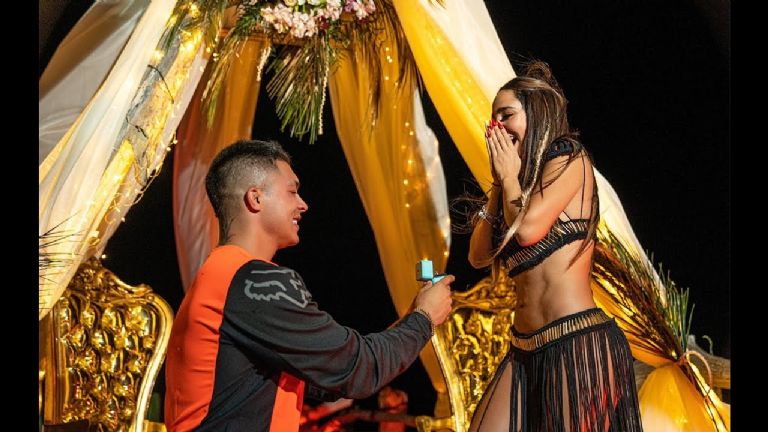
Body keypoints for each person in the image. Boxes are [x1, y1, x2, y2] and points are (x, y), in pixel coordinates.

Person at [164, 139, 454, 432]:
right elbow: (357, 368)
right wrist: (424, 319)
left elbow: (331, 375)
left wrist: (413, 316)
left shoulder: (218, 277)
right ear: (256, 198)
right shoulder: (255, 281)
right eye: (292, 191)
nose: (303, 204)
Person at [466, 61, 643, 431]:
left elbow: (528, 230)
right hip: (523, 350)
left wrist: (509, 178)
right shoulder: (514, 187)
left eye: (507, 115)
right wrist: (499, 184)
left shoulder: (569, 157)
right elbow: (478, 256)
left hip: (576, 340)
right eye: (493, 118)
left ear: (536, 114)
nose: (497, 126)